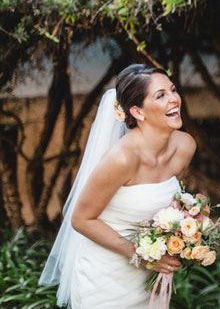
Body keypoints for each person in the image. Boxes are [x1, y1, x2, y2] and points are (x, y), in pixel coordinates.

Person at [40, 64, 196, 308]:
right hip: (106, 278)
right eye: (160, 95)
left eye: (173, 90)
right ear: (137, 112)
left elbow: (172, 204)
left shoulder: (185, 147)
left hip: (150, 278)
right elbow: (81, 219)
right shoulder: (121, 158)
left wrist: (183, 237)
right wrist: (140, 255)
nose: (174, 99)